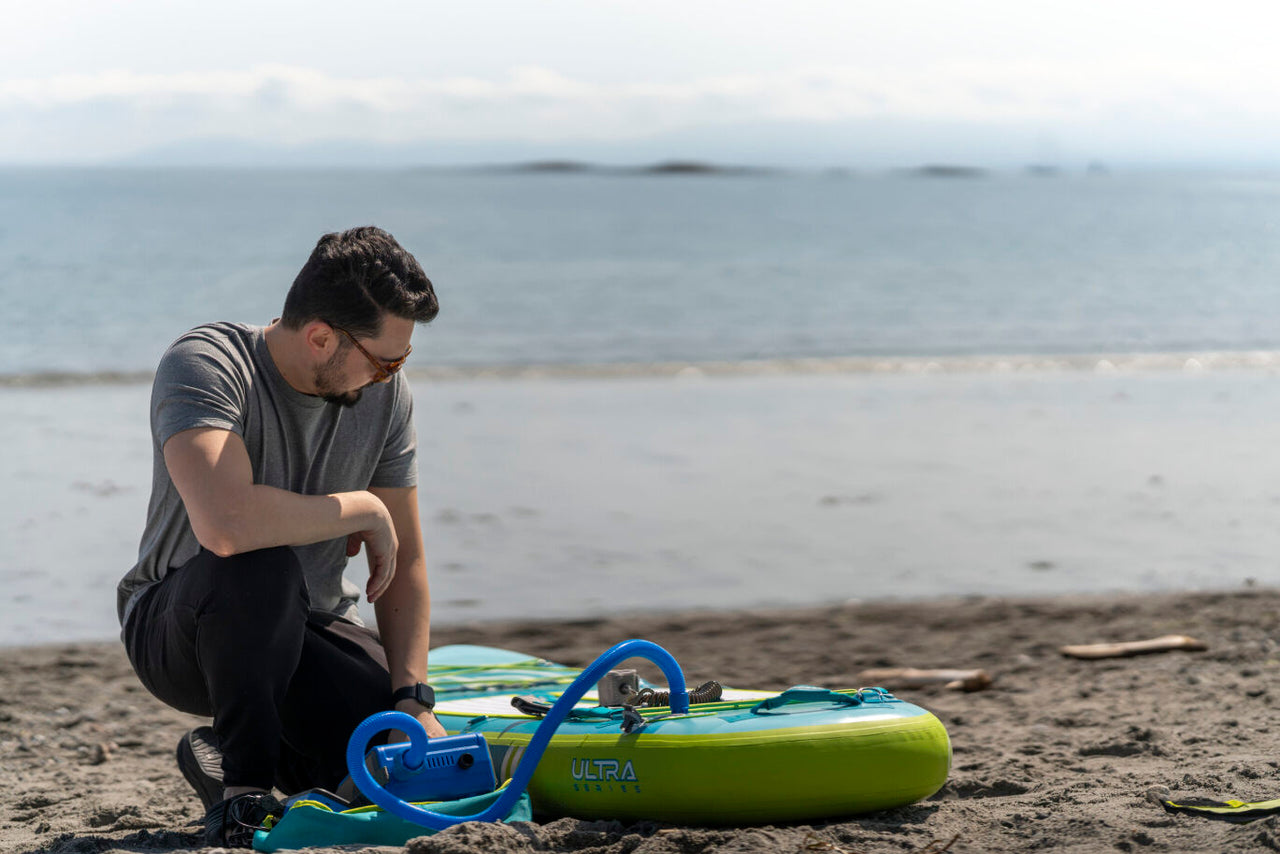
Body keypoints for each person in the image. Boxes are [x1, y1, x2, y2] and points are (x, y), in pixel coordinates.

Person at [116, 226, 448, 848]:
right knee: (256, 566)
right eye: (386, 361)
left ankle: (223, 755)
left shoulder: (386, 399)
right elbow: (226, 524)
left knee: (385, 740)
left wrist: (414, 696)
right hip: (183, 627)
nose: (391, 376)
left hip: (306, 629)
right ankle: (242, 794)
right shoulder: (208, 363)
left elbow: (406, 565)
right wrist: (360, 508)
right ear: (321, 336)